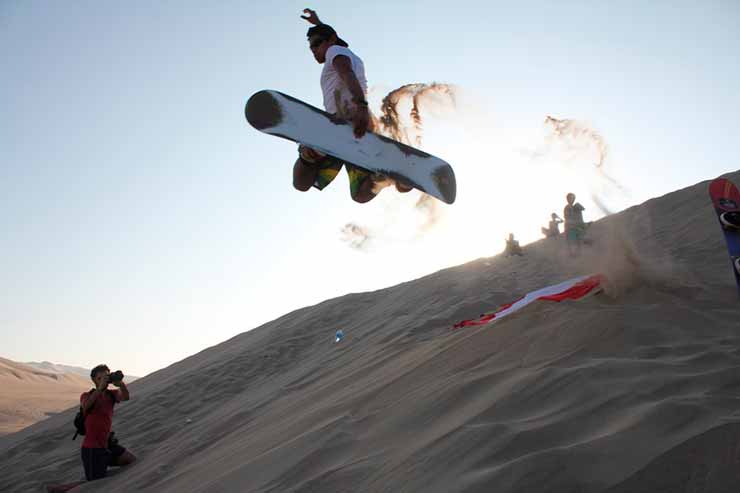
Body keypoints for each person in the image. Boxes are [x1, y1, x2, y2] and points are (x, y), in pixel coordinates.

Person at [294, 8, 411, 203]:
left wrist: (361, 106)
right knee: (360, 194)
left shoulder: (334, 52)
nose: (314, 50)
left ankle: (309, 155)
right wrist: (317, 23)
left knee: (301, 182)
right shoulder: (345, 52)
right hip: (358, 132)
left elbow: (346, 73)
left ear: (330, 40)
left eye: (316, 44)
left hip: (338, 126)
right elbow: (335, 42)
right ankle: (381, 177)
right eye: (311, 48)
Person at [79, 365, 136, 482]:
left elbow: (126, 397)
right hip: (92, 449)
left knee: (131, 460)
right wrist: (99, 389)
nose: (104, 380)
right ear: (94, 380)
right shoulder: (87, 396)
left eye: (106, 376)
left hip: (107, 445)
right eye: (100, 378)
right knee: (92, 484)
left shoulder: (111, 395)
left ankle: (102, 469)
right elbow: (85, 406)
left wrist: (121, 385)